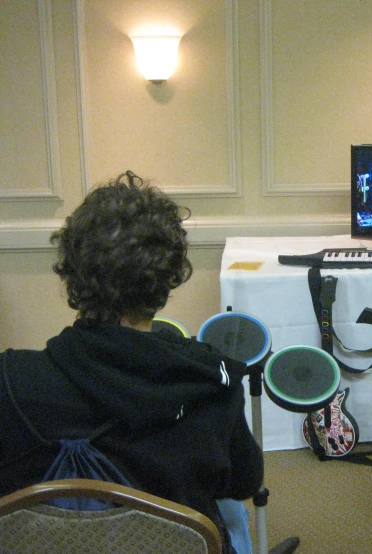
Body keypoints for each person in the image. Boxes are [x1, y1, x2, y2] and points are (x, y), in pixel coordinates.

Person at [0, 171, 264, 554]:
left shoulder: (10, 380)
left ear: (74, 272)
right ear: (168, 279)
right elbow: (244, 484)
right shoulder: (210, 385)